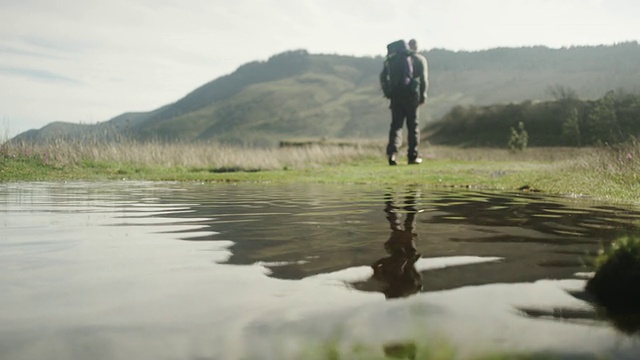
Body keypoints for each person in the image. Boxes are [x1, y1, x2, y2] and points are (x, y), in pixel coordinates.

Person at [380, 39, 428, 165]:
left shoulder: (392, 59)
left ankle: (392, 155)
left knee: (396, 126)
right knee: (413, 126)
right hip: (411, 96)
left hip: (396, 96)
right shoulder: (419, 59)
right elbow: (423, 80)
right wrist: (423, 95)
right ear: (415, 47)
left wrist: (388, 92)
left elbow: (383, 77)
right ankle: (412, 156)